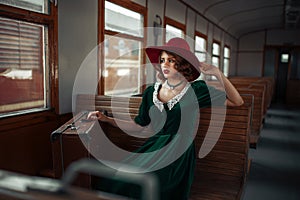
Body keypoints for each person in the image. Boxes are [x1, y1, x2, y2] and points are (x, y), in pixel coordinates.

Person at [87, 37, 244, 199]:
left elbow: (237, 101)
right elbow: (141, 126)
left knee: (151, 186)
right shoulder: (150, 92)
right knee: (117, 179)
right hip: (154, 147)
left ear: (183, 64)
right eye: (162, 60)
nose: (165, 64)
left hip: (178, 152)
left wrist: (218, 73)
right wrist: (106, 119)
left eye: (171, 60)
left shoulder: (197, 90)